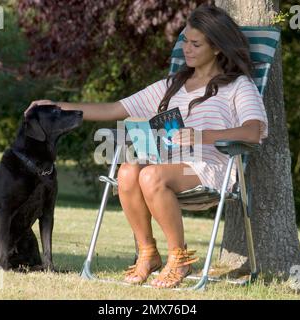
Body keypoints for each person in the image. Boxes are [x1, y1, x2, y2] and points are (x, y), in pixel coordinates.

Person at [24, 4, 268, 288]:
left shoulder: (238, 86)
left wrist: (201, 135)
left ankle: (180, 258)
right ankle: (148, 254)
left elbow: (254, 131)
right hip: (168, 167)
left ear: (216, 48)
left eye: (195, 44)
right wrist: (56, 106)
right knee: (128, 171)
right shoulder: (171, 86)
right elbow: (114, 109)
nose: (186, 49)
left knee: (151, 174)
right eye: (185, 41)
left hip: (213, 168)